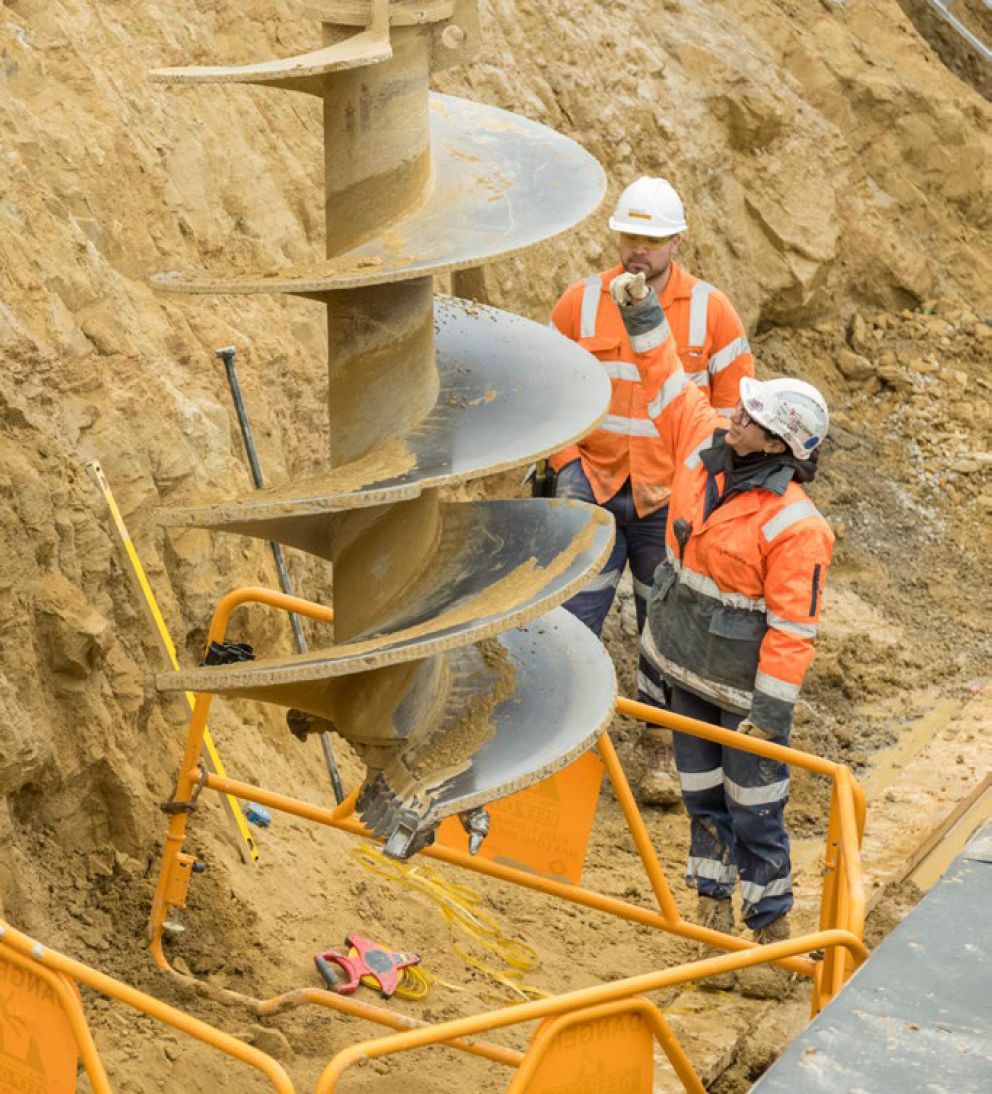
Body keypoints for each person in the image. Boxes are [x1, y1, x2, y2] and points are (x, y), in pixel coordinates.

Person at [610, 269, 834, 998]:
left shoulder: (797, 528)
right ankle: (711, 929)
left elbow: (792, 633)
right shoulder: (700, 447)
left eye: (750, 417)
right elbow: (666, 376)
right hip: (681, 675)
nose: (732, 415)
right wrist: (642, 309)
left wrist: (769, 722)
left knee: (756, 813)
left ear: (777, 444)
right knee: (702, 801)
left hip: (741, 700)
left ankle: (769, 941)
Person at [548, 176, 754, 804]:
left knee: (661, 629)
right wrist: (567, 466)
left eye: (652, 239)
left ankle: (656, 752)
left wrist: (703, 487)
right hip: (595, 481)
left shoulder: (711, 312)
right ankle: (556, 746)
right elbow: (548, 393)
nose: (637, 249)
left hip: (669, 498)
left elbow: (731, 410)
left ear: (677, 242)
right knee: (566, 623)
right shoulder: (579, 304)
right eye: (629, 236)